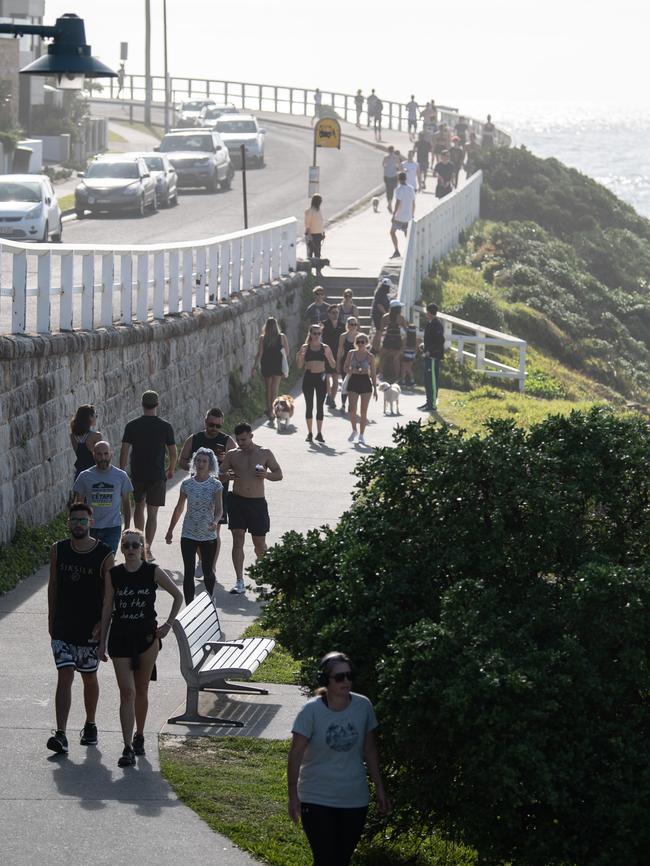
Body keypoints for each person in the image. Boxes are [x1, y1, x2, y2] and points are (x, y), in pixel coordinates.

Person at [288, 651, 390, 866]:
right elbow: (296, 753)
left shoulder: (363, 706)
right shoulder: (310, 712)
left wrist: (379, 787)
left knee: (342, 860)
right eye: (339, 677)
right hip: (316, 797)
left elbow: (370, 749)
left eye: (349, 676)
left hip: (354, 798)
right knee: (325, 859)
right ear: (326, 680)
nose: (346, 681)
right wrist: (293, 795)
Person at [99, 529, 183, 768]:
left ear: (143, 547)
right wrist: (101, 642)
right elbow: (107, 607)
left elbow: (178, 596)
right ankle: (127, 747)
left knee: (141, 690)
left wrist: (168, 625)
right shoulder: (113, 574)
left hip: (147, 638)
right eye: (126, 546)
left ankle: (140, 735)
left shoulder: (152, 572)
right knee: (126, 692)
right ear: (122, 549)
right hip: (120, 638)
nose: (131, 550)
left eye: (136, 545)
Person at [46, 502, 114, 755]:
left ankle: (90, 724)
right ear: (68, 524)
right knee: (64, 676)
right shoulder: (58, 550)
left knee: (88, 677)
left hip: (90, 630)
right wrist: (51, 619)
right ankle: (61, 734)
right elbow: (53, 585)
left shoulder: (104, 554)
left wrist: (103, 625)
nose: (78, 524)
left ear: (91, 523)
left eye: (82, 520)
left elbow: (110, 596)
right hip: (63, 627)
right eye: (74, 520)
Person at [219, 423, 283, 594]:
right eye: (238, 440)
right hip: (237, 501)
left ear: (251, 436)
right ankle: (239, 581)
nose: (241, 443)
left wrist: (267, 475)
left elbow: (279, 474)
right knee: (238, 539)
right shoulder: (232, 455)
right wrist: (227, 476)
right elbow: (219, 475)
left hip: (257, 502)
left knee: (259, 544)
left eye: (244, 439)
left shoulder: (264, 453)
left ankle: (263, 574)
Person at [120, 390, 176, 562]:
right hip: (157, 475)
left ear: (142, 404)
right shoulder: (165, 426)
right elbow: (173, 453)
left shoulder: (132, 425)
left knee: (139, 507)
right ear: (157, 404)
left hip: (137, 473)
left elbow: (124, 451)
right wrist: (171, 469)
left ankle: (138, 543)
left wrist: (122, 472)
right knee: (153, 514)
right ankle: (147, 549)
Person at [178, 408, 236, 572]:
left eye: (218, 426)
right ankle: (203, 560)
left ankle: (211, 566)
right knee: (197, 525)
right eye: (211, 424)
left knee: (214, 528)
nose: (214, 429)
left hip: (218, 490)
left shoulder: (227, 441)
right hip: (196, 490)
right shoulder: (194, 439)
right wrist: (195, 470)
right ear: (205, 422)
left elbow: (236, 464)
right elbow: (182, 460)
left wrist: (226, 473)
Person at [165, 447, 224, 603]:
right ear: (194, 462)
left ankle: (210, 600)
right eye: (198, 460)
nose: (200, 464)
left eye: (204, 461)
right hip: (188, 533)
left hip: (207, 533)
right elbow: (179, 508)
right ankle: (189, 607)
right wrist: (170, 530)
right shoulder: (187, 484)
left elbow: (219, 510)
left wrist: (215, 521)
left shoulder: (216, 485)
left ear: (210, 464)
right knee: (189, 571)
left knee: (208, 571)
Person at [73, 441, 133, 553]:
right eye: (99, 454)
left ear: (111, 454)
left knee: (107, 560)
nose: (103, 457)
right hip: (90, 528)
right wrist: (77, 526)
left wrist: (127, 527)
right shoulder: (84, 476)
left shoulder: (121, 476)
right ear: (93, 454)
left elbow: (126, 503)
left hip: (113, 528)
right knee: (92, 562)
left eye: (106, 454)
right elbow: (78, 505)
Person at [297, 324, 337, 443]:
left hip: (321, 378)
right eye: (314, 333)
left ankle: (319, 433)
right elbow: (299, 366)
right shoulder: (305, 347)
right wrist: (301, 356)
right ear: (310, 334)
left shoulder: (325, 347)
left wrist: (328, 357)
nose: (317, 336)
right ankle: (310, 433)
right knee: (309, 406)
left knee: (320, 407)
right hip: (309, 377)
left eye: (319, 333)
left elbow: (333, 365)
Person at [343, 333, 378, 446]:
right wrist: (352, 370)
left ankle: (362, 435)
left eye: (362, 342)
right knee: (352, 408)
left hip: (365, 383)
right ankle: (354, 430)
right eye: (358, 342)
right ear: (355, 343)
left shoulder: (370, 356)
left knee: (363, 411)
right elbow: (345, 367)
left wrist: (375, 389)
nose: (360, 344)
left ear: (366, 343)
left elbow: (373, 373)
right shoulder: (351, 353)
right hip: (353, 381)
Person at [254, 317, 290, 422]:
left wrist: (254, 366)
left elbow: (259, 353)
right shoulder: (282, 337)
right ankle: (274, 411)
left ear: (266, 326)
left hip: (266, 364)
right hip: (277, 365)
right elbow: (287, 352)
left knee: (268, 389)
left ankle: (269, 411)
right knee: (275, 389)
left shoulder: (262, 338)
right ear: (276, 326)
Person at [419, 302, 446, 411]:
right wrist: (424, 346)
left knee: (433, 382)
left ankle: (432, 405)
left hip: (433, 357)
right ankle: (428, 402)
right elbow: (430, 339)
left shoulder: (437, 324)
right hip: (428, 356)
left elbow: (440, 341)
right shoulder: (430, 323)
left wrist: (430, 351)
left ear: (429, 312)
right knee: (427, 381)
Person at [70, 404, 102, 480]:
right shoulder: (96, 436)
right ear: (90, 418)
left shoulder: (73, 436)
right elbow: (100, 457)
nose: (96, 418)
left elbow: (79, 454)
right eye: (95, 416)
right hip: (94, 473)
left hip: (80, 473)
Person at [337, 316, 362, 412]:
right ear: (347, 325)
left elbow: (363, 349)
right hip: (346, 362)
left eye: (355, 324)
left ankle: (352, 404)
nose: (353, 326)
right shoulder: (343, 336)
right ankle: (343, 404)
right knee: (345, 383)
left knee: (354, 384)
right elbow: (340, 350)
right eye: (351, 324)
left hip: (357, 363)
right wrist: (338, 363)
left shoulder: (359, 336)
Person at [322, 305, 344, 410]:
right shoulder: (323, 324)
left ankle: (332, 399)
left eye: (337, 312)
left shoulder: (342, 325)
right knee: (327, 377)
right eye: (333, 312)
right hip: (326, 353)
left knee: (335, 379)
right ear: (329, 314)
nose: (335, 314)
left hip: (337, 354)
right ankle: (328, 395)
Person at [379, 299, 407, 382]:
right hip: (397, 340)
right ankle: (397, 377)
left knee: (381, 356)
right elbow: (406, 330)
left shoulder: (385, 317)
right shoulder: (401, 318)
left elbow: (381, 329)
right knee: (396, 358)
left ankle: (381, 374)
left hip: (388, 339)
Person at [389, 172, 416, 259]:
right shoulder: (411, 189)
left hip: (399, 216)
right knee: (406, 233)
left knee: (392, 232)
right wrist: (412, 214)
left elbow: (398, 203)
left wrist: (393, 214)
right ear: (406, 179)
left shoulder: (398, 190)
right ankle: (410, 251)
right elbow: (413, 203)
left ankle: (396, 251)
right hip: (408, 216)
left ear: (398, 179)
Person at [305, 194, 325, 271]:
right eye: (320, 201)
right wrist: (309, 235)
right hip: (312, 235)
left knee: (318, 254)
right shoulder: (309, 211)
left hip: (318, 235)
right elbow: (307, 224)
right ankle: (309, 271)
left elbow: (320, 222)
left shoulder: (318, 210)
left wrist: (323, 232)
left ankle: (318, 270)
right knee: (310, 254)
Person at [382, 146, 401, 212]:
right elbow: (398, 166)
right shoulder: (396, 157)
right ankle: (390, 203)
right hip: (393, 175)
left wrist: (388, 167)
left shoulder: (385, 157)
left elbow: (383, 165)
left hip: (387, 175)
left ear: (388, 150)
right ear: (393, 150)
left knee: (388, 189)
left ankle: (389, 203)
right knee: (392, 189)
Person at [401, 322, 418, 388]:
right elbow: (416, 348)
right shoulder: (415, 340)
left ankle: (411, 382)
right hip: (412, 355)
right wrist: (414, 355)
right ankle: (404, 381)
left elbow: (403, 347)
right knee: (407, 368)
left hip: (406, 355)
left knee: (406, 369)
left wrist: (402, 353)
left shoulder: (406, 339)